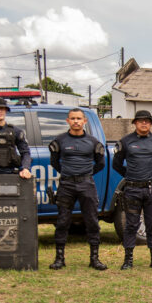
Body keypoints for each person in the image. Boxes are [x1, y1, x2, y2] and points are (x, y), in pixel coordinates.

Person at [48, 108, 107, 271]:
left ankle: (94, 259)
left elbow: (100, 163)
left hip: (86, 184)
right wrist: (69, 174)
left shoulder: (93, 142)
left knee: (92, 221)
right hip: (66, 185)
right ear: (67, 121)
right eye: (72, 118)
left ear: (84, 122)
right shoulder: (59, 141)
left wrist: (85, 174)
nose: (76, 121)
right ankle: (59, 259)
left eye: (79, 119)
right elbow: (54, 162)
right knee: (62, 221)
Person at [113, 109, 152, 270]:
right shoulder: (125, 142)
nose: (144, 123)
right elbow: (116, 164)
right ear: (135, 123)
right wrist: (130, 175)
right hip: (132, 189)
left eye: (147, 121)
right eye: (141, 121)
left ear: (151, 123)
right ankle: (128, 260)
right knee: (131, 225)